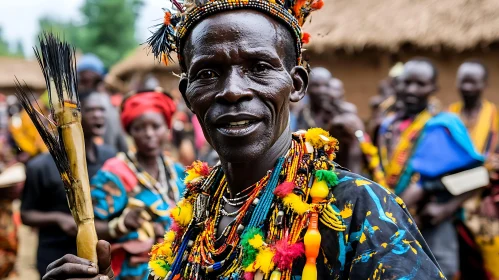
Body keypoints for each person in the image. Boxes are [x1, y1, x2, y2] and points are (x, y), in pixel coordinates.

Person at [43, 1, 443, 279]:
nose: (232, 91)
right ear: (187, 97)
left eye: (259, 67)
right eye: (208, 73)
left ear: (296, 84)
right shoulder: (196, 207)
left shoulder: (356, 208)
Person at [377, 58, 484, 279]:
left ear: (433, 88)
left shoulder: (445, 124)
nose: (411, 90)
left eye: (420, 84)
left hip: (433, 223)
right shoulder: (387, 125)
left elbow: (478, 175)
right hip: (389, 223)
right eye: (406, 83)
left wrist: (446, 207)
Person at [90, 90, 185, 280]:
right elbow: (89, 228)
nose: (149, 134)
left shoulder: (177, 171)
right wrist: (120, 225)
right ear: (129, 131)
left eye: (156, 126)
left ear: (167, 127)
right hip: (132, 272)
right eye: (139, 128)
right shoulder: (115, 173)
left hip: (177, 269)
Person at [21, 90, 116, 279]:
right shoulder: (39, 166)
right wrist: (58, 218)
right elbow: (26, 214)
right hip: (54, 253)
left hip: (101, 257)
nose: (98, 115)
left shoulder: (110, 158)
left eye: (102, 110)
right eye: (90, 110)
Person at [449, 61, 499, 279]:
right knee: (457, 260)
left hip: (484, 202)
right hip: (451, 200)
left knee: (490, 258)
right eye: (463, 81)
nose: (467, 86)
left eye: (473, 81)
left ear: (484, 84)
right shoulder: (449, 116)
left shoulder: (495, 118)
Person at [78, 54, 128, 153]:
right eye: (84, 80)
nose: (86, 85)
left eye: (90, 80)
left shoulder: (107, 105)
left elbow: (121, 144)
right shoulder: (76, 104)